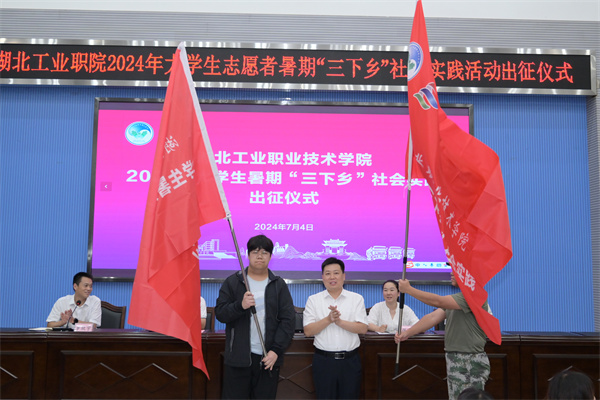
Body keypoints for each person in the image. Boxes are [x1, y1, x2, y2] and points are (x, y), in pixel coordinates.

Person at [215, 234, 295, 399]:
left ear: (271, 256)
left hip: (268, 359)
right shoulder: (233, 282)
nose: (260, 256)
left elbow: (288, 321)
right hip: (238, 358)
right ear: (248, 254)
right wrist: (240, 306)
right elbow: (221, 313)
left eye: (265, 252)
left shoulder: (278, 285)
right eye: (255, 252)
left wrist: (276, 351)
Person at [395, 270, 491, 400]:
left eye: (456, 270)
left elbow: (438, 301)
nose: (451, 273)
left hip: (469, 360)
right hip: (455, 358)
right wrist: (407, 333)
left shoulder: (474, 295)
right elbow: (433, 317)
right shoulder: (457, 298)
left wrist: (409, 290)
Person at [303, 257, 368, 399]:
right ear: (322, 277)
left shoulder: (356, 299)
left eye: (336, 273)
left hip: (350, 361)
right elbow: (308, 331)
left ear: (343, 276)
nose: (332, 277)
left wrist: (339, 322)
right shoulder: (313, 300)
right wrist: (328, 320)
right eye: (328, 273)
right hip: (324, 361)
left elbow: (363, 328)